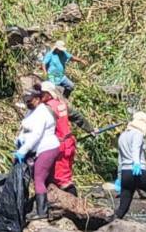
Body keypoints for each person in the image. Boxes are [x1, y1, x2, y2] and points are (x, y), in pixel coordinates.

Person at [40, 82, 97, 197]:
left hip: (59, 147)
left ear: (48, 93)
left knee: (63, 180)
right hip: (68, 144)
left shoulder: (47, 108)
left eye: (42, 93)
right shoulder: (61, 105)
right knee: (56, 177)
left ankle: (76, 205)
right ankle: (58, 204)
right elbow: (77, 116)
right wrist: (90, 129)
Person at [14, 86, 60, 221]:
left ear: (38, 99)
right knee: (42, 179)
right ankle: (48, 206)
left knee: (39, 178)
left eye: (30, 100)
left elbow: (36, 135)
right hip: (38, 148)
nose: (28, 103)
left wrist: (22, 151)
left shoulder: (42, 113)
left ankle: (42, 212)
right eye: (26, 100)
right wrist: (19, 142)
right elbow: (26, 130)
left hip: (47, 148)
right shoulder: (31, 111)